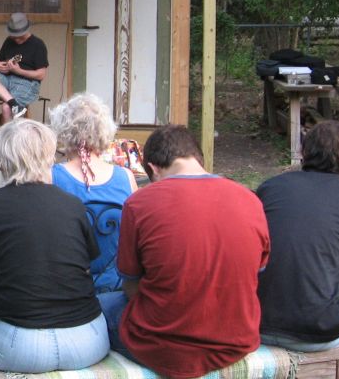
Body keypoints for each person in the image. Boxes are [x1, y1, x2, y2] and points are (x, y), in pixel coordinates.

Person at [98, 125, 269, 378]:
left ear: (154, 168)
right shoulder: (250, 200)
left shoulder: (140, 203)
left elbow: (131, 287)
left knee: (98, 306)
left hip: (161, 347)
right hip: (235, 342)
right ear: (198, 159)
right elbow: (255, 274)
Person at [0, 118, 109, 375]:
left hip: (19, 345)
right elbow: (86, 270)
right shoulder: (74, 206)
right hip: (89, 338)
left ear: (1, 159)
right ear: (49, 155)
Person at [258, 121, 339, 379]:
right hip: (317, 329)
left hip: (258, 320)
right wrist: (338, 274)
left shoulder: (270, 187)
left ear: (304, 151)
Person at [49, 93, 138, 293]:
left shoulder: (51, 177)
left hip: (66, 288)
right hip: (118, 286)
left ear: (63, 131)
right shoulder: (126, 177)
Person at [0, 12, 48, 125]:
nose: (16, 39)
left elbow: (41, 74)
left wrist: (19, 71)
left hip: (27, 83)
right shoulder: (9, 41)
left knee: (6, 108)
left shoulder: (38, 44)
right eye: (14, 35)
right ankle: (14, 103)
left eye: (20, 35)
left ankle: (8, 138)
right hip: (7, 79)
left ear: (26, 30)